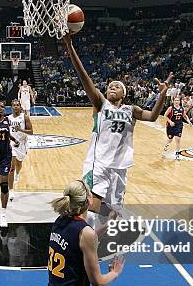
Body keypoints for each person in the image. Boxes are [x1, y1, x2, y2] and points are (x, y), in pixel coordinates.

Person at [63, 33, 172, 221]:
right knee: (92, 210)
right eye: (110, 86)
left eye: (117, 86)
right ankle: (87, 244)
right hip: (99, 164)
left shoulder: (132, 110)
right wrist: (69, 46)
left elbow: (153, 117)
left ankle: (107, 247)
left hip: (120, 167)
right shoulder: (100, 104)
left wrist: (162, 95)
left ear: (124, 93)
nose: (112, 87)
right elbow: (83, 76)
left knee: (114, 213)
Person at [8, 99, 33, 201]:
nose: (15, 107)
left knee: (19, 162)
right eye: (14, 105)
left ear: (20, 106)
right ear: (11, 107)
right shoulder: (8, 118)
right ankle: (11, 190)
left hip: (22, 143)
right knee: (11, 166)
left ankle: (17, 174)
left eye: (17, 105)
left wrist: (21, 130)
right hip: (12, 144)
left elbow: (31, 132)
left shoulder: (25, 117)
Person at [163, 95, 191, 160]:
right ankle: (166, 144)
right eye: (175, 100)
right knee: (170, 139)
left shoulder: (181, 108)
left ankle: (177, 154)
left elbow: (184, 116)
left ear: (179, 101)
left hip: (179, 125)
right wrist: (170, 121)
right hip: (171, 126)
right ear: (173, 101)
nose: (176, 101)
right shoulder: (170, 108)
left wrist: (189, 121)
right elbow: (165, 115)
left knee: (177, 140)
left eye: (178, 100)